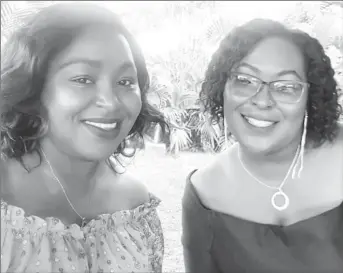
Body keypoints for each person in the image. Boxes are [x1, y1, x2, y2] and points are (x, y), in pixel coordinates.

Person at [0, 2, 167, 272]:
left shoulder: (136, 208)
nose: (110, 102)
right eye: (83, 79)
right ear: (34, 87)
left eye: (125, 82)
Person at [182, 19, 343, 273]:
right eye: (245, 80)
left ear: (310, 99)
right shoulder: (203, 195)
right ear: (222, 87)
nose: (262, 100)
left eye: (286, 87)